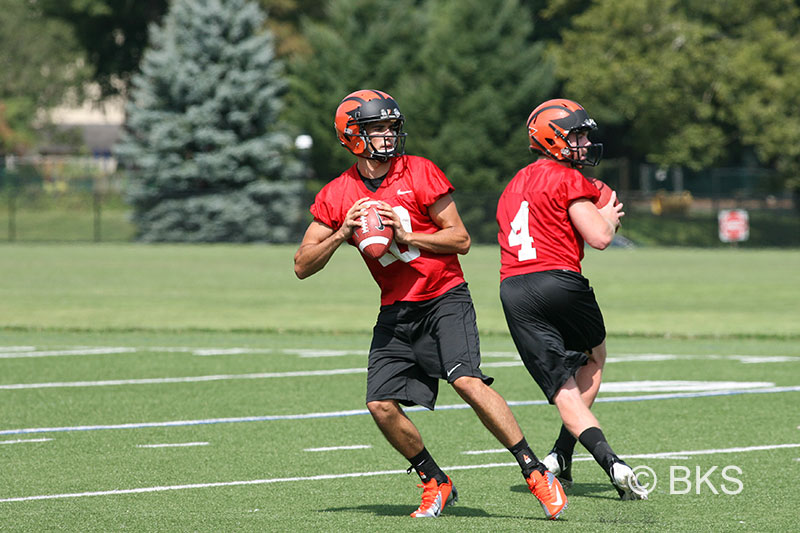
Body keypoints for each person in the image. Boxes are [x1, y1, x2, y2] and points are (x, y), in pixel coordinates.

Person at [294, 89, 567, 519]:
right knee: (380, 404)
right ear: (352, 136)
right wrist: (340, 233)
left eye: (391, 126)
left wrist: (408, 237)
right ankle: (434, 480)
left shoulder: (419, 171)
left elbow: (460, 238)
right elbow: (302, 265)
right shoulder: (337, 194)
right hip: (396, 309)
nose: (388, 135)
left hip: (444, 297)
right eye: (377, 128)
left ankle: (535, 471)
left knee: (466, 381)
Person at [496, 98, 648, 500]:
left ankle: (579, 459)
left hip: (513, 290)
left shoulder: (513, 184)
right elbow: (599, 238)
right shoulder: (567, 177)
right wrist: (610, 218)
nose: (584, 142)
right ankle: (579, 456)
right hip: (558, 281)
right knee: (594, 358)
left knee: (563, 388)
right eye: (576, 134)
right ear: (552, 139)